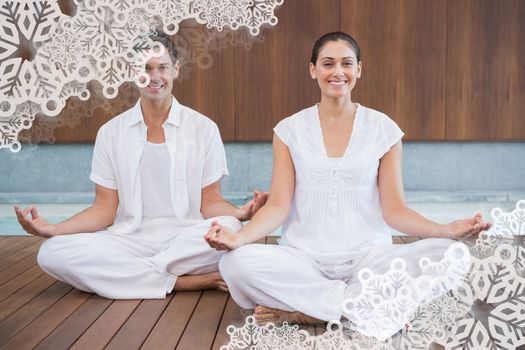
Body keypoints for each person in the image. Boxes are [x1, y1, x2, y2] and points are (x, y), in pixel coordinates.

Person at [204, 31, 491, 339]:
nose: (338, 72)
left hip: (369, 258)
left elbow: (394, 211)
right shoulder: (289, 130)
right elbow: (278, 206)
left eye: (347, 63)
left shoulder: (384, 130)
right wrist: (239, 237)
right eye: (328, 64)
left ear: (359, 70)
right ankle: (366, 309)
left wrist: (445, 230)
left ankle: (305, 312)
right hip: (303, 259)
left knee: (453, 256)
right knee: (235, 264)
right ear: (313, 70)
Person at [14, 31, 267, 299]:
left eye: (162, 67)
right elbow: (104, 209)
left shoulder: (203, 129)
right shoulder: (111, 132)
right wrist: (53, 229)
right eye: (146, 68)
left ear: (176, 69)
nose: (155, 76)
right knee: (52, 252)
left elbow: (210, 202)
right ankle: (179, 281)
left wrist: (241, 213)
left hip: (185, 238)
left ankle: (133, 276)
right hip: (127, 239)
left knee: (230, 228)